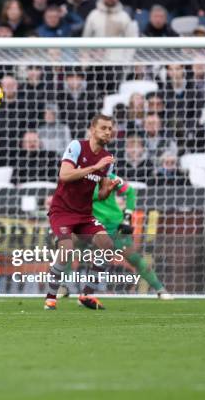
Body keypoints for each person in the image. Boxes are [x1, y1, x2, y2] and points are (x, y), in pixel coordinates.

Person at [44, 114, 119, 311]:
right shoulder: (77, 146)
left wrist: (108, 189)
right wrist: (94, 167)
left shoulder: (108, 159)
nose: (108, 132)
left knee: (107, 245)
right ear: (93, 129)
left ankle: (86, 294)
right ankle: (50, 298)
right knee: (67, 250)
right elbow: (65, 175)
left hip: (84, 214)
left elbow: (101, 194)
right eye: (103, 128)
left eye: (110, 129)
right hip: (62, 210)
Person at [91, 173, 172, 299]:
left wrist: (127, 217)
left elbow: (129, 192)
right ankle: (65, 288)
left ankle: (160, 289)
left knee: (133, 258)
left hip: (114, 225)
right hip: (92, 225)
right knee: (69, 249)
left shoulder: (109, 177)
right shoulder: (78, 178)